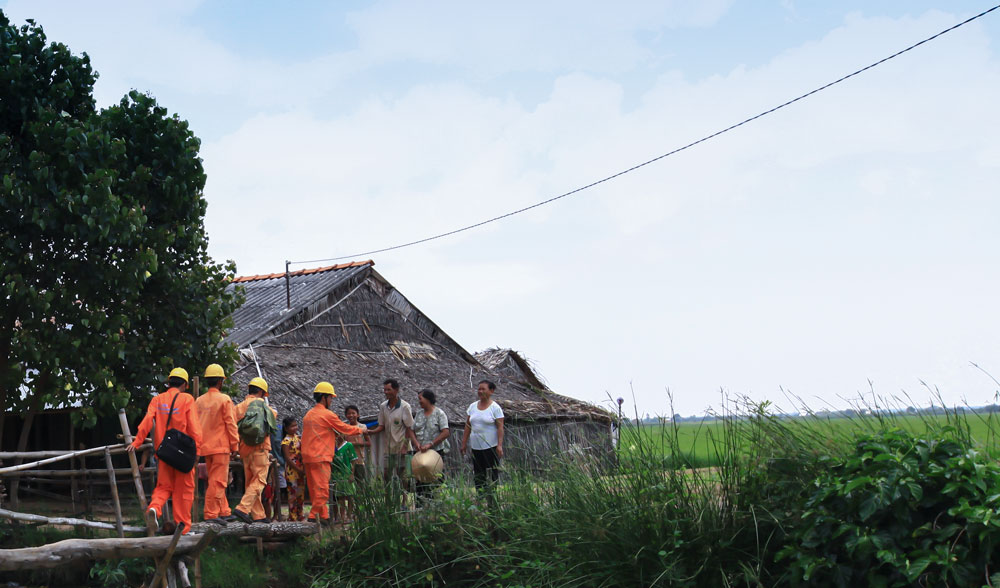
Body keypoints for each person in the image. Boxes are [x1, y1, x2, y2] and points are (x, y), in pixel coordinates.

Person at [128, 367, 203, 535]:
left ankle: (154, 508)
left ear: (169, 382)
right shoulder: (187, 399)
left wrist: (137, 442)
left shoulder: (158, 399)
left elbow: (147, 420)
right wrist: (197, 451)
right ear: (184, 384)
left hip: (164, 453)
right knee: (184, 491)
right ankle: (182, 529)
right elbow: (194, 428)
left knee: (163, 487)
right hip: (182, 455)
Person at [301, 382, 367, 525]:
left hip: (308, 457)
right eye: (331, 397)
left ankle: (324, 517)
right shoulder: (327, 414)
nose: (331, 400)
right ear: (324, 397)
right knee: (323, 488)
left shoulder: (308, 414)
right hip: (320, 456)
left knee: (314, 489)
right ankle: (313, 516)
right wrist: (362, 430)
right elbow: (345, 429)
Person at [195, 363, 239, 524]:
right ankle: (211, 514)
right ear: (221, 381)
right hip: (220, 447)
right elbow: (231, 424)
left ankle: (224, 511)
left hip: (205, 447)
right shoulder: (224, 399)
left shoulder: (199, 401)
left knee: (214, 479)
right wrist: (235, 445)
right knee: (218, 481)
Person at [231, 376, 277, 524]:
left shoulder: (239, 407)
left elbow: (233, 426)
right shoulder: (264, 406)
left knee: (250, 482)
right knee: (260, 481)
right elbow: (273, 418)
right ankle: (243, 508)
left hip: (244, 450)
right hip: (260, 449)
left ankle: (258, 515)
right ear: (262, 392)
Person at [366, 378, 419, 483]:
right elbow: (381, 426)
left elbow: (409, 428)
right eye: (385, 390)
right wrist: (371, 432)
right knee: (387, 476)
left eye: (389, 390)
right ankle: (388, 499)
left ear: (396, 390)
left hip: (402, 448)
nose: (386, 392)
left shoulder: (405, 406)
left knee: (402, 477)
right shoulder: (383, 406)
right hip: (389, 448)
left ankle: (403, 499)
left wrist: (404, 446)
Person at [461, 380, 504, 502]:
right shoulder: (473, 406)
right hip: (476, 447)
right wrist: (464, 443)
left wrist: (499, 445)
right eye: (479, 389)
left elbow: (500, 427)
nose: (480, 391)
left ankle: (492, 499)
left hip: (491, 447)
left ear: (491, 391)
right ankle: (480, 498)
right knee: (479, 475)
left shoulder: (495, 408)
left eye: (483, 389)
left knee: (492, 474)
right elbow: (468, 426)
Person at [412, 389, 450, 501]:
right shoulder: (418, 414)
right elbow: (411, 431)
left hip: (435, 452)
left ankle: (436, 504)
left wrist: (431, 444)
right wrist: (416, 443)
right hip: (420, 453)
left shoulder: (439, 414)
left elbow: (445, 432)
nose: (419, 401)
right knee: (419, 479)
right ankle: (420, 504)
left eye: (420, 399)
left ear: (428, 399)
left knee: (435, 478)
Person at [280, 417, 305, 521]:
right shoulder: (286, 441)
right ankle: (293, 516)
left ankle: (300, 514)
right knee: (292, 493)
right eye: (292, 426)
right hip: (292, 470)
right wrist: (298, 469)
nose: (295, 428)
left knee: (301, 493)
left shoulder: (298, 438)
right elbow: (287, 458)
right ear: (286, 428)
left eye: (296, 425)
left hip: (301, 469)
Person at [331, 433, 358, 523]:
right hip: (335, 475)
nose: (338, 436)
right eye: (335, 434)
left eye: (339, 434)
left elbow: (353, 460)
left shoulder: (348, 445)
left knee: (349, 496)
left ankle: (349, 516)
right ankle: (339, 517)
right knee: (337, 497)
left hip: (346, 474)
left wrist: (352, 474)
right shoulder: (332, 446)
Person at [344, 405, 369, 483]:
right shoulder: (345, 428)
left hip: (359, 460)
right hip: (348, 460)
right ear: (346, 415)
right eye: (349, 413)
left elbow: (369, 443)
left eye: (353, 413)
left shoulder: (362, 427)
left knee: (360, 483)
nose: (351, 415)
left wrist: (355, 443)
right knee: (349, 483)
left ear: (358, 415)